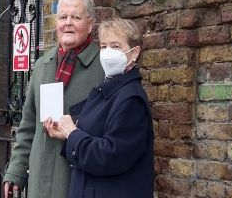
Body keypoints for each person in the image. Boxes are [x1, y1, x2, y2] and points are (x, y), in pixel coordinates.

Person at [4, 0, 106, 198]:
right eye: (63, 17)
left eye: (76, 17)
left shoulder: (103, 67)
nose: (68, 23)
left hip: (80, 180)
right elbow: (28, 125)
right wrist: (16, 171)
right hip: (41, 179)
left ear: (90, 24)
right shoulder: (43, 65)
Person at [43, 17, 153, 198]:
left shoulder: (131, 100)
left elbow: (110, 156)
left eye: (115, 46)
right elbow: (93, 136)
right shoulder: (107, 90)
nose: (108, 53)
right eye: (103, 46)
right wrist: (66, 134)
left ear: (134, 53)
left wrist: (72, 133)